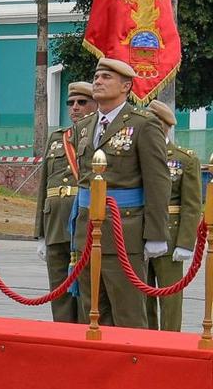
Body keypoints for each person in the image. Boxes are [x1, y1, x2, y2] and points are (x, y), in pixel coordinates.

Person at [71, 57, 171, 330]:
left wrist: (156, 234)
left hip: (123, 231)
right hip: (87, 230)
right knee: (92, 311)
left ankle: (134, 370)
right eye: (97, 76)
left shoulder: (143, 124)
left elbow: (158, 182)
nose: (98, 81)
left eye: (106, 77)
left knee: (127, 313)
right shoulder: (84, 126)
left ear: (126, 86)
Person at [35, 81, 94, 324]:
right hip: (55, 221)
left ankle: (81, 335)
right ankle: (61, 332)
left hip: (83, 219)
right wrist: (39, 233)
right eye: (71, 103)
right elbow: (44, 185)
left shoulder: (98, 136)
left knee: (84, 288)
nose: (75, 108)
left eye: (82, 102)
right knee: (58, 288)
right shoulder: (58, 138)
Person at [146, 100, 202, 332]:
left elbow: (192, 205)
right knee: (142, 296)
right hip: (140, 231)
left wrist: (186, 243)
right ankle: (145, 342)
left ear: (165, 126)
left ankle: (170, 341)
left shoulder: (184, 159)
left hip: (170, 235)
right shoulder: (140, 156)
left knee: (170, 298)